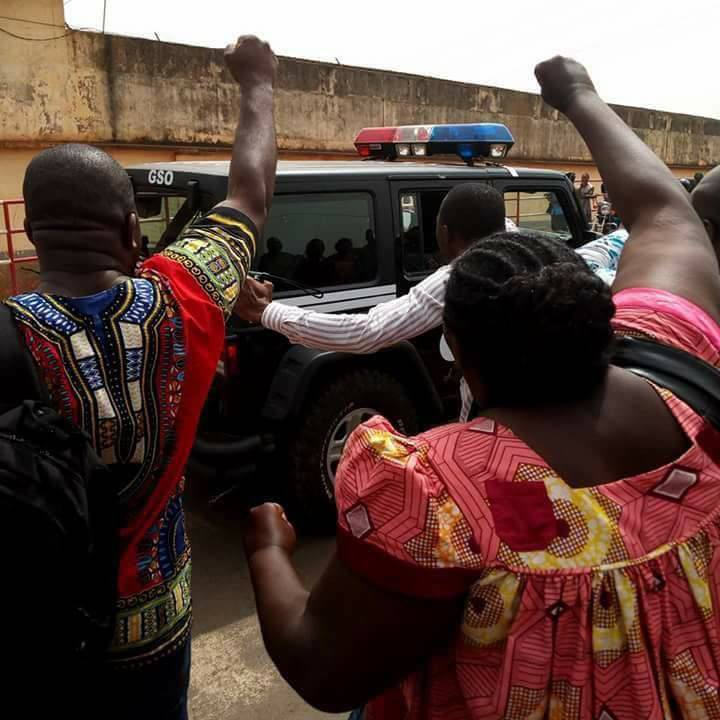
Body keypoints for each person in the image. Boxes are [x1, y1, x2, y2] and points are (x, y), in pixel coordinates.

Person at [241, 56, 720, 720]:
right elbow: (669, 215)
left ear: (459, 350)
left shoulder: (438, 493)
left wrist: (267, 550)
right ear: (602, 317)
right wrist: (579, 96)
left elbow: (323, 671)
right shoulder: (684, 368)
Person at [5, 35, 277, 719]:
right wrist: (257, 82)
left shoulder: (8, 334)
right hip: (157, 623)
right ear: (131, 229)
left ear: (33, 232)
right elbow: (251, 191)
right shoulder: (183, 295)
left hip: (39, 633)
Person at [235, 183, 626, 422]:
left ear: (445, 232)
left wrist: (266, 311)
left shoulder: (466, 274)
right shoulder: (542, 250)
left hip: (502, 422)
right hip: (577, 409)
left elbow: (365, 332)